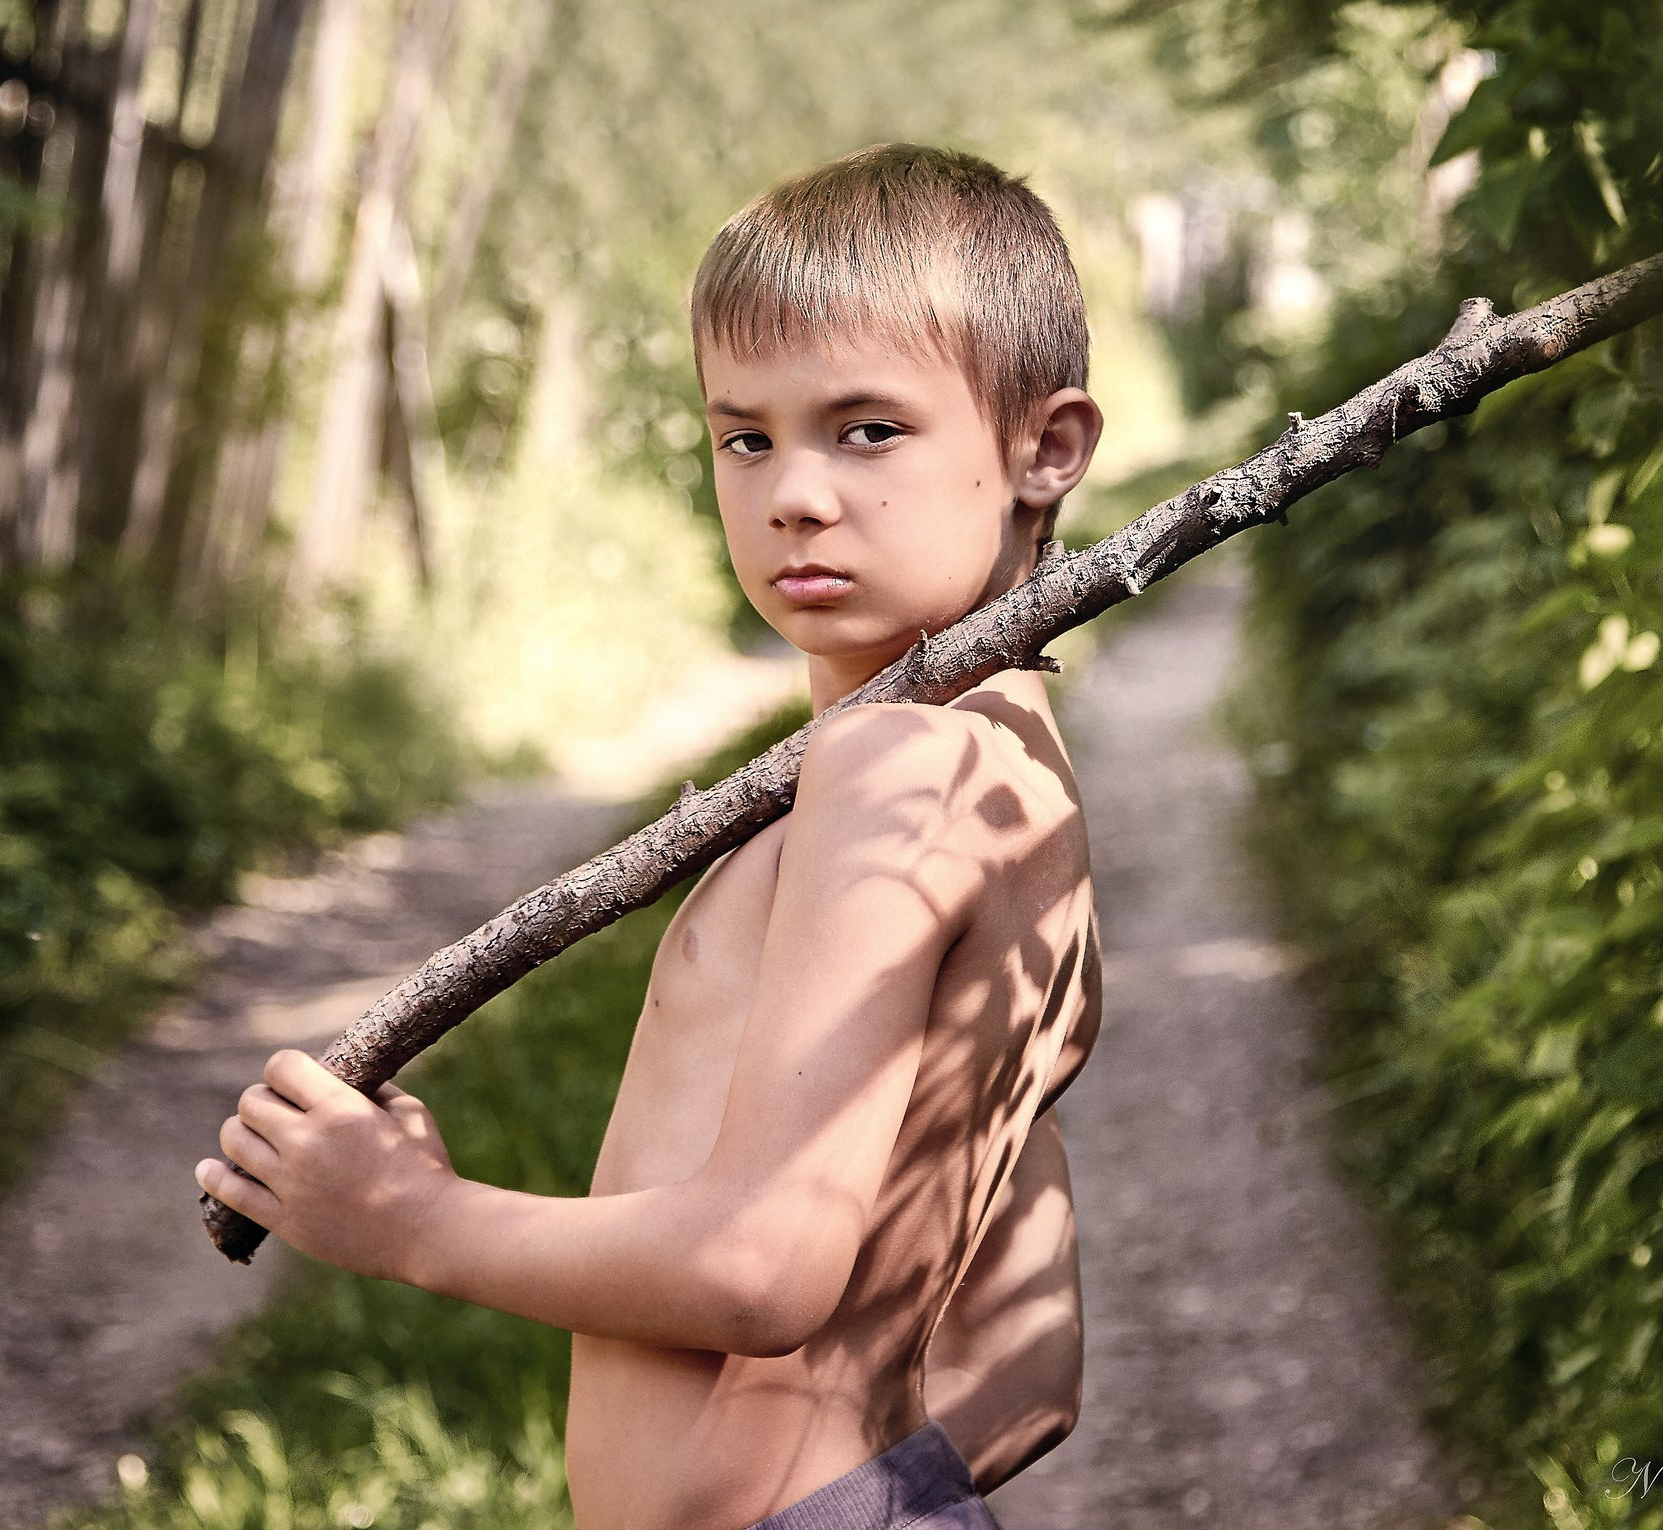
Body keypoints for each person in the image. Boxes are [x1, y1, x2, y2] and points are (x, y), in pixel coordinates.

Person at [196, 141, 1106, 1530]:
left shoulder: (891, 769)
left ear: (1045, 447)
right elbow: (1034, 1363)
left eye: (867, 429)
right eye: (747, 434)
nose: (794, 490)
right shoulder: (1019, 782)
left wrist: (407, 1217)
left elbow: (764, 1261)